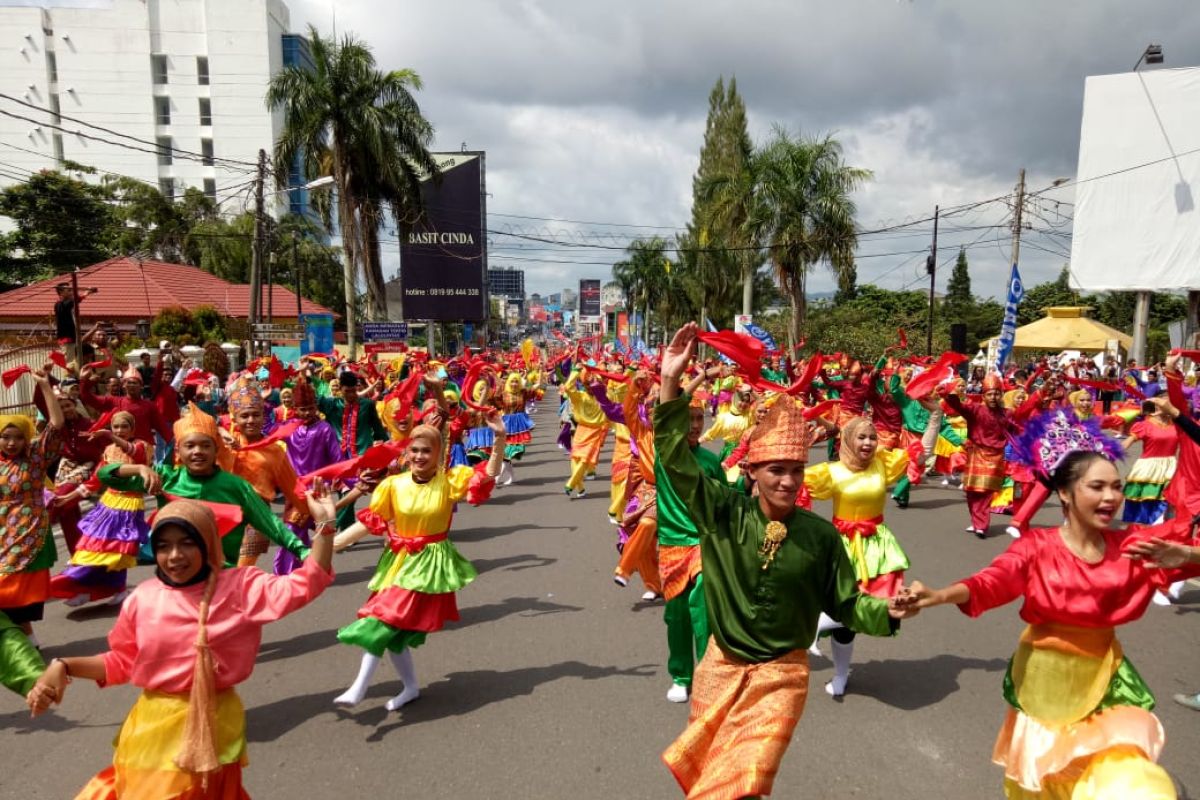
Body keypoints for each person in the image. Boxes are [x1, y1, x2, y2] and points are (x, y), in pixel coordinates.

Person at [655, 323, 909, 800]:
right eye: (776, 470)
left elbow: (847, 603)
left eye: (796, 471)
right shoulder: (723, 513)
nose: (789, 481)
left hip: (781, 677)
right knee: (715, 780)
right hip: (720, 668)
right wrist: (670, 383)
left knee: (746, 779)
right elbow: (674, 461)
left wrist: (887, 610)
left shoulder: (819, 537)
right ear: (751, 470)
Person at [897, 450, 1195, 798]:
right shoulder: (1037, 547)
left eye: (1117, 487)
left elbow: (1185, 554)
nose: (1111, 497)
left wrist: (1188, 556)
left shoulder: (1131, 546)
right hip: (1044, 684)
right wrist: (940, 595)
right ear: (1065, 493)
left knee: (1128, 778)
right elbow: (992, 582)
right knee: (1049, 782)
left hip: (1107, 680)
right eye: (1097, 486)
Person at [26, 491, 336, 798]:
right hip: (151, 731)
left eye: (187, 542)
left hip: (214, 727)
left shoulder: (241, 587)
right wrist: (63, 666)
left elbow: (308, 581)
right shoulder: (142, 598)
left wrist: (324, 525)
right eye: (164, 546)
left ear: (207, 543)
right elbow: (122, 663)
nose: (175, 555)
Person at [333, 413, 507, 711]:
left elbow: (487, 477)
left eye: (427, 450)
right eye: (414, 450)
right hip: (398, 561)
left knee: (382, 620)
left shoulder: (449, 481)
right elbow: (370, 523)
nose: (419, 456)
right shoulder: (394, 485)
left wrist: (500, 438)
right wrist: (330, 545)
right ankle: (411, 687)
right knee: (395, 632)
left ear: (438, 454)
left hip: (429, 563)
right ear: (406, 452)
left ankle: (359, 687)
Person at [95, 403, 311, 567]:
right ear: (179, 452)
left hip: (225, 570)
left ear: (216, 451)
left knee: (245, 574)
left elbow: (271, 522)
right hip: (178, 576)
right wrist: (140, 469)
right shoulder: (167, 478)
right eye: (190, 446)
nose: (198, 452)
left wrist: (305, 550)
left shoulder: (238, 484)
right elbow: (106, 475)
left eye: (205, 446)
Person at [803, 416, 910, 698]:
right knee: (846, 620)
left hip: (877, 547)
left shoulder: (883, 465)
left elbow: (919, 451)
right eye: (861, 437)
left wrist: (935, 416)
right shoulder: (833, 472)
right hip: (841, 546)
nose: (867, 443)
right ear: (848, 440)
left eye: (872, 437)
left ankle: (822, 625)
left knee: (876, 605)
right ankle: (840, 673)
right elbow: (795, 483)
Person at [49, 411, 150, 607]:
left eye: (124, 427)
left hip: (129, 505)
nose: (120, 431)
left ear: (133, 429)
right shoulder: (109, 450)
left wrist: (108, 435)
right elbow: (95, 480)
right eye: (116, 427)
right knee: (91, 547)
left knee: (117, 551)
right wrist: (68, 497)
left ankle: (114, 589)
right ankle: (85, 587)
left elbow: (134, 453)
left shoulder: (142, 446)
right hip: (108, 503)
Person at [0, 369, 64, 645]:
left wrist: (45, 386)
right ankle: (28, 640)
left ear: (27, 439)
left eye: (17, 437)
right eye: (5, 437)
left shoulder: (35, 458)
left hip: (27, 530)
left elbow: (56, 424)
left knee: (11, 588)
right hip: (1, 530)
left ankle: (24, 640)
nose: (11, 443)